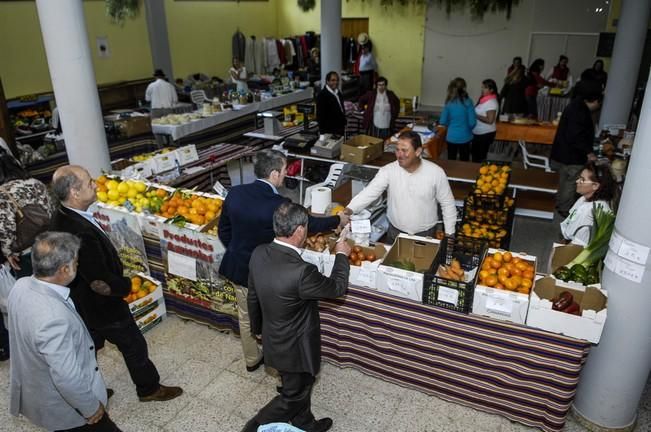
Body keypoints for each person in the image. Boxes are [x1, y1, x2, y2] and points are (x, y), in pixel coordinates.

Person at [50, 165, 183, 402]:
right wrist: (126, 285)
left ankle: (91, 392)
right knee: (133, 345)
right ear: (74, 193)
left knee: (88, 350)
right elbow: (99, 279)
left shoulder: (63, 216)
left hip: (80, 303)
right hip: (102, 305)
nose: (95, 184)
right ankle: (149, 389)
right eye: (89, 182)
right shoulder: (80, 232)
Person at [218, 150, 348, 373]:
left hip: (239, 268)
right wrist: (338, 219)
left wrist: (241, 251)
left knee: (246, 316)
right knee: (274, 320)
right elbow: (309, 225)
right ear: (275, 174)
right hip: (269, 273)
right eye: (285, 169)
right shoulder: (278, 204)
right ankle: (278, 369)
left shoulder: (235, 194)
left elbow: (224, 231)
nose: (287, 173)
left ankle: (251, 359)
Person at [242, 202, 351, 432]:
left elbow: (253, 297)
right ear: (300, 231)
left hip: (273, 338)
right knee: (293, 395)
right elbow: (337, 288)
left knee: (301, 386)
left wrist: (258, 329)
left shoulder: (259, 253)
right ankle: (253, 427)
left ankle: (305, 423)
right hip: (296, 349)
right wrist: (341, 255)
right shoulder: (302, 271)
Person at [8, 231, 122, 431]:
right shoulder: (53, 318)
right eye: (76, 263)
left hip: (37, 392)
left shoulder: (21, 285)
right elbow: (66, 376)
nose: (77, 266)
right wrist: (90, 407)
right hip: (69, 409)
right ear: (64, 269)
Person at [344, 131, 457, 243]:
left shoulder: (435, 173)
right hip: (395, 233)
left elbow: (447, 203)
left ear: (418, 151)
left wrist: (450, 233)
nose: (399, 154)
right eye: (397, 150)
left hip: (425, 235)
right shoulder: (388, 171)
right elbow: (369, 193)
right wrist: (349, 209)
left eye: (404, 150)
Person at [0, 148, 56, 279]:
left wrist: (8, 253)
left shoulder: (2, 194)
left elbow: (5, 229)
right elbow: (51, 209)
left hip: (27, 254)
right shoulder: (36, 183)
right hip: (50, 242)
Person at [550, 81, 603, 217]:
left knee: (564, 181)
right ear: (595, 101)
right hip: (572, 155)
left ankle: (561, 204)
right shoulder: (580, 111)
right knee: (571, 183)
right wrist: (589, 152)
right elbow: (577, 136)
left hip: (564, 153)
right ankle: (564, 209)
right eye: (599, 103)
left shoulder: (575, 105)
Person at [560, 162, 615, 246]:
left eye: (582, 180)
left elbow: (575, 244)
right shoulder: (584, 199)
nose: (577, 181)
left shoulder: (590, 210)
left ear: (595, 186)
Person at [439, 77, 477, 161]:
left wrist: (450, 123)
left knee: (451, 162)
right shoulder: (468, 102)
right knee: (464, 162)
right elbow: (472, 123)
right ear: (464, 88)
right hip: (465, 137)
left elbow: (442, 121)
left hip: (451, 137)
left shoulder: (449, 102)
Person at [472, 79, 499, 162]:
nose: (482, 89)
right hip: (479, 133)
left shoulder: (491, 102)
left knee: (480, 158)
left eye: (485, 88)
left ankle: (480, 173)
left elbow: (490, 120)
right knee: (475, 156)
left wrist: (475, 115)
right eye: (482, 87)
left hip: (485, 134)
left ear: (491, 90)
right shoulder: (484, 100)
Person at [316, 71, 346, 136]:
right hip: (330, 131)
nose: (336, 82)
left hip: (340, 129)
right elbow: (320, 116)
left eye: (337, 80)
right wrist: (322, 133)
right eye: (333, 80)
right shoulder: (322, 95)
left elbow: (341, 108)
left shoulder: (338, 93)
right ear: (327, 81)